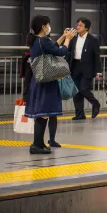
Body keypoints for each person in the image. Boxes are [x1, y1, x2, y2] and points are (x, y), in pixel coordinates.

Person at [25, 15, 75, 154]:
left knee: (43, 114)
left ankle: (39, 144)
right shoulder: (43, 40)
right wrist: (68, 40)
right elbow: (60, 51)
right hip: (46, 82)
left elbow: (52, 46)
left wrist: (62, 37)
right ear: (43, 26)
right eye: (48, 24)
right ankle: (36, 145)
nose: (49, 27)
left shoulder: (37, 41)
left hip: (40, 80)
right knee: (43, 114)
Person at [67, 18, 102, 120]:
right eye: (77, 25)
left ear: (86, 28)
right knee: (76, 92)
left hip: (88, 68)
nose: (77, 27)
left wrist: (98, 71)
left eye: (80, 25)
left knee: (83, 89)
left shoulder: (93, 40)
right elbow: (68, 51)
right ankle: (79, 114)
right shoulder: (73, 38)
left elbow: (97, 57)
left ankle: (95, 103)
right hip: (75, 66)